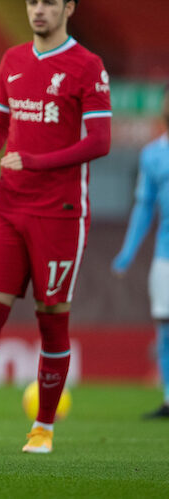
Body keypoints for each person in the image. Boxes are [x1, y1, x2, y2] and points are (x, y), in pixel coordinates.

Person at [0, 0, 111, 454]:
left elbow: (100, 141)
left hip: (60, 214)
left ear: (68, 8)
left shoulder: (87, 66)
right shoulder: (14, 60)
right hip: (8, 210)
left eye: (48, 3)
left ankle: (43, 428)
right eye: (32, 2)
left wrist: (37, 161)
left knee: (51, 319)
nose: (38, 10)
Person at [112, 86, 169, 419]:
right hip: (165, 257)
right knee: (165, 328)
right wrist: (127, 252)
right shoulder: (152, 155)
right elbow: (144, 207)